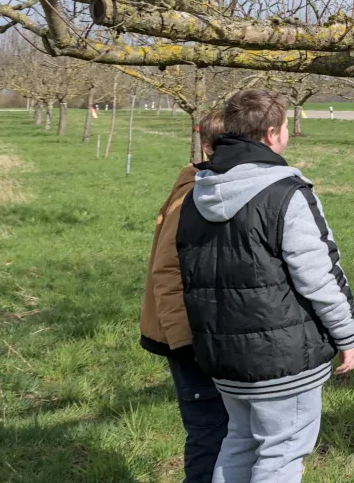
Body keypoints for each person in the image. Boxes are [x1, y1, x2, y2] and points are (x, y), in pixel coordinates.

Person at [176, 90, 354, 483]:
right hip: (281, 359)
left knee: (238, 441)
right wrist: (348, 335)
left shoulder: (197, 193)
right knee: (282, 454)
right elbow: (318, 276)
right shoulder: (286, 192)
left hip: (221, 355)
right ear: (273, 133)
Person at [139, 109, 229, 483]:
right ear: (208, 147)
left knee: (223, 433)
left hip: (202, 334)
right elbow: (167, 270)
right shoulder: (192, 195)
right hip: (187, 338)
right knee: (209, 433)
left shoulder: (207, 187)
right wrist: (186, 343)